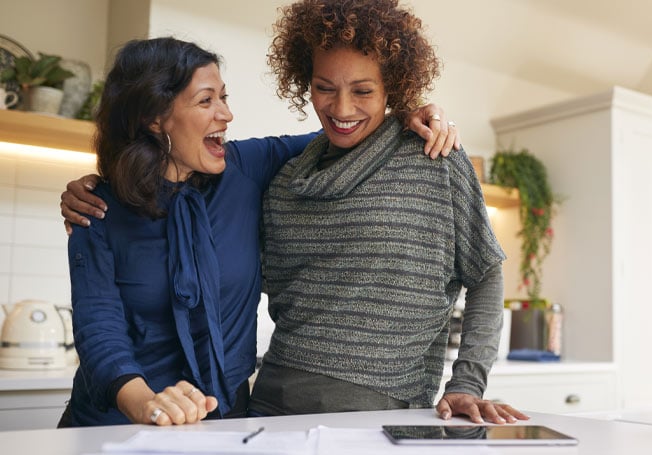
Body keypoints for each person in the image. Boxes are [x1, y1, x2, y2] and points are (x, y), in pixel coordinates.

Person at [59, 36, 457, 427]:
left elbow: (346, 130)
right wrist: (146, 404)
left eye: (224, 98)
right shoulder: (98, 209)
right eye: (206, 101)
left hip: (223, 422)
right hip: (119, 423)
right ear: (154, 117)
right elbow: (98, 329)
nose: (226, 115)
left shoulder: (244, 170)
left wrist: (405, 117)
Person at [248, 0, 529, 425]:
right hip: (269, 402)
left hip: (382, 411)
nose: (341, 109)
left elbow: (486, 274)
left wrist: (467, 384)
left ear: (392, 88)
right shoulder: (286, 180)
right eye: (325, 87)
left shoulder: (435, 159)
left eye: (362, 91)